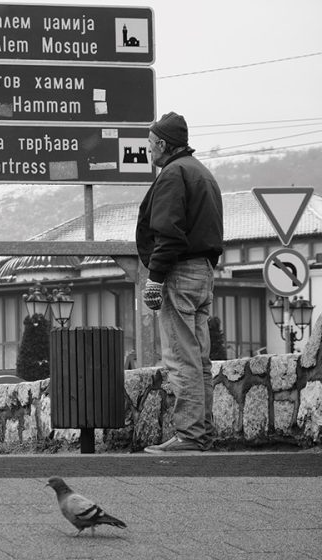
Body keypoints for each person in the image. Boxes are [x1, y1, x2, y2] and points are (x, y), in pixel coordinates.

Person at [136, 112, 223, 454]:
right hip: (204, 271)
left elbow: (168, 232)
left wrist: (155, 278)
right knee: (200, 358)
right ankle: (202, 433)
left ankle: (188, 435)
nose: (147, 150)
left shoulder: (173, 174)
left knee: (181, 357)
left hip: (179, 272)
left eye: (150, 143)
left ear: (161, 144)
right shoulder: (202, 173)